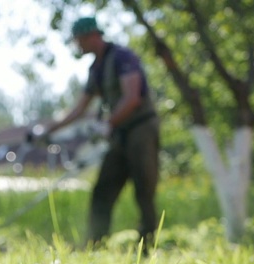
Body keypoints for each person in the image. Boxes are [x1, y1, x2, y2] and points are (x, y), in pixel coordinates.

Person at [31, 16, 160, 252]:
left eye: (79, 40)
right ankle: (94, 245)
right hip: (119, 134)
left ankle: (147, 247)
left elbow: (132, 99)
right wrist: (49, 130)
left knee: (144, 189)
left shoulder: (122, 57)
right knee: (103, 189)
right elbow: (79, 109)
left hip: (141, 130)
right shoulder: (96, 68)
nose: (77, 45)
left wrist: (107, 123)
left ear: (92, 36)